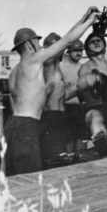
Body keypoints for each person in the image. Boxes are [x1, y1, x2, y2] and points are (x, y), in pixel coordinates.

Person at [4, 7, 101, 176]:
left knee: (14, 178)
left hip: (12, 125)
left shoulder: (14, 72)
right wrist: (90, 21)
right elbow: (67, 41)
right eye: (37, 42)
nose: (40, 46)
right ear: (29, 45)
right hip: (27, 127)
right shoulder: (33, 61)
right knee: (30, 178)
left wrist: (83, 17)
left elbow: (65, 39)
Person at [77, 33, 107, 157]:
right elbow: (80, 87)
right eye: (92, 41)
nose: (96, 42)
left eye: (98, 40)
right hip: (95, 108)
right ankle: (103, 149)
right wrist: (93, 79)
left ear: (105, 45)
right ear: (87, 48)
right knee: (96, 118)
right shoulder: (86, 67)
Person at [38, 33, 74, 166]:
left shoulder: (57, 67)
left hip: (61, 116)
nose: (62, 52)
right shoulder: (46, 67)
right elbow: (43, 92)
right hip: (51, 117)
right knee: (55, 159)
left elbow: (59, 93)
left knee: (65, 157)